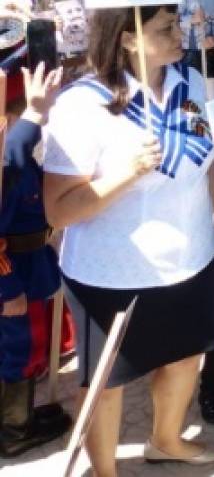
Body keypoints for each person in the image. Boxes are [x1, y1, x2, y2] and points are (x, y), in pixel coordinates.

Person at [42, 6, 214, 475]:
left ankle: (166, 439)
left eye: (177, 23)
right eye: (165, 28)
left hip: (191, 257)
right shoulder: (82, 105)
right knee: (106, 383)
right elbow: (58, 210)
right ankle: (105, 471)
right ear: (127, 39)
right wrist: (125, 174)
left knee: (185, 358)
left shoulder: (190, 81)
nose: (179, 33)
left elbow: (208, 160)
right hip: (111, 273)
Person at [0, 64, 72, 457]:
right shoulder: (6, 165)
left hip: (31, 265)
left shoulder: (14, 158)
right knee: (20, 350)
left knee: (22, 347)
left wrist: (33, 113)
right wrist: (8, 290)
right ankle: (15, 431)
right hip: (15, 277)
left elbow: (18, 148)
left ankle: (18, 416)